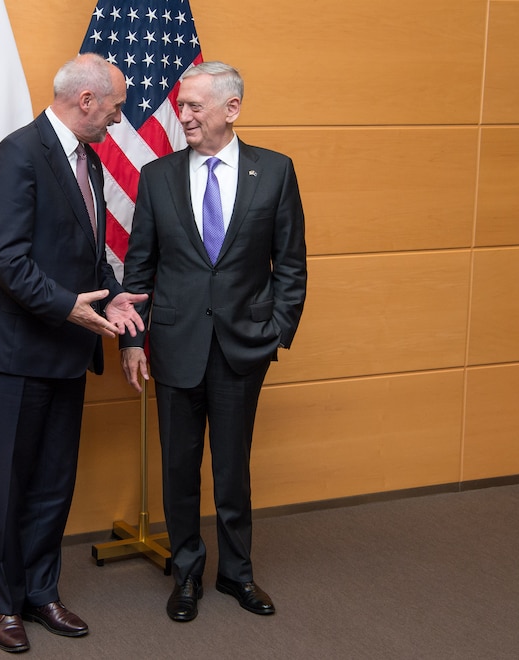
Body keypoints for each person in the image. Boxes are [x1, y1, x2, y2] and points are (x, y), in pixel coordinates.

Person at [0, 53, 146, 653]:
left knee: (53, 483)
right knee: (8, 485)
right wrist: (69, 306)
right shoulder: (18, 154)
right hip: (14, 351)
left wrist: (113, 299)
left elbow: (87, 259)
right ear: (86, 101)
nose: (118, 120)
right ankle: (5, 604)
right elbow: (3, 257)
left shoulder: (86, 160)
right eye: (114, 108)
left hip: (67, 350)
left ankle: (42, 593)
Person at [120, 61, 307, 622]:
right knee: (180, 469)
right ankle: (186, 575)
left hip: (242, 347)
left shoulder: (274, 172)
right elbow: (139, 269)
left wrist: (276, 330)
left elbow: (290, 265)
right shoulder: (157, 177)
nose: (183, 116)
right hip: (174, 346)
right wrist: (132, 342)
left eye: (194, 106)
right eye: (181, 106)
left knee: (233, 468)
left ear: (232, 108)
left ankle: (237, 574)